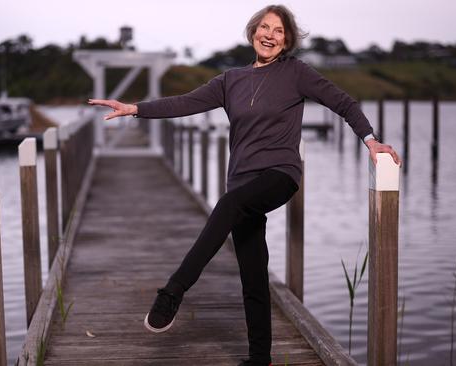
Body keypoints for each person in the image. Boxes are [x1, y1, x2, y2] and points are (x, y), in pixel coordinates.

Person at [89, 4, 400, 365]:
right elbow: (185, 102)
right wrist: (135, 109)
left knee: (229, 205)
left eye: (278, 31)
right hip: (241, 179)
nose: (269, 35)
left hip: (279, 174)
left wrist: (371, 140)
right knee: (252, 272)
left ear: (286, 41)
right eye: (264, 27)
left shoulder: (296, 73)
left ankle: (173, 290)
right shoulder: (230, 80)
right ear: (253, 32)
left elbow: (344, 104)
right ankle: (259, 359)